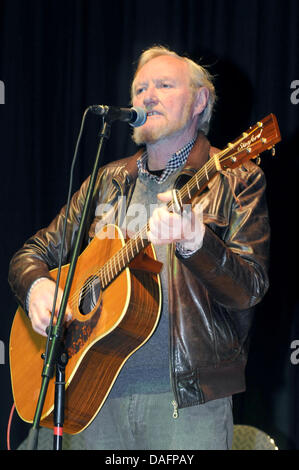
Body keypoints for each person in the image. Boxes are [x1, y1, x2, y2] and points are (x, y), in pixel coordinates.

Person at [8, 46, 270, 450]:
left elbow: (249, 289)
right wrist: (35, 287)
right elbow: (33, 253)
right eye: (139, 89)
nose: (147, 96)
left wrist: (196, 244)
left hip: (184, 404)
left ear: (200, 101)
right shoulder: (107, 180)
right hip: (91, 398)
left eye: (164, 85)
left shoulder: (235, 179)